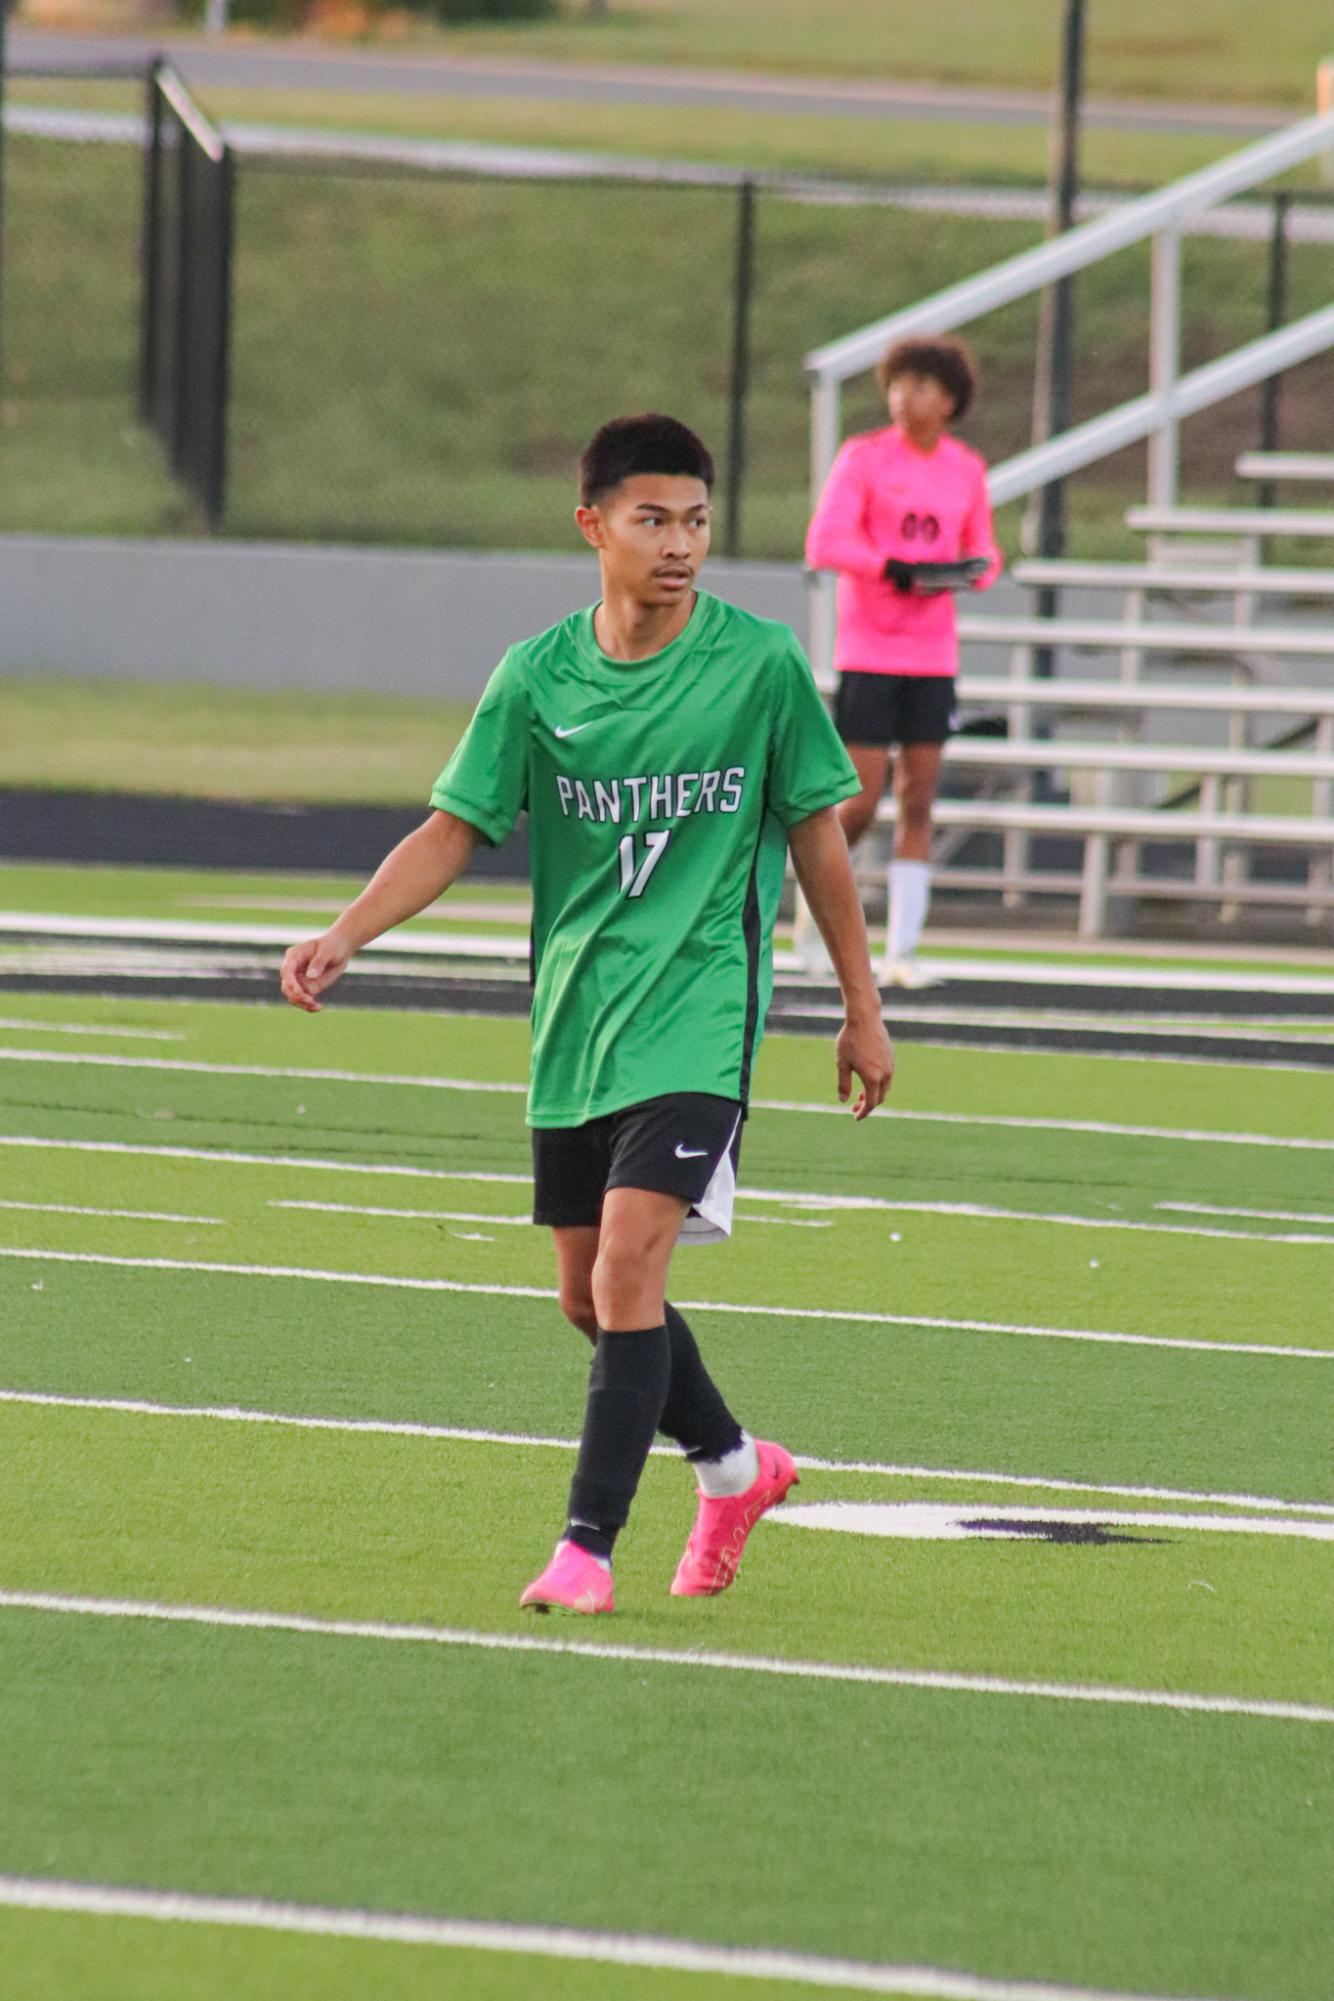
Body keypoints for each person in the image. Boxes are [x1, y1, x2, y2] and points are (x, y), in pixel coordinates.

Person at [280, 412, 894, 1617]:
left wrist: (858, 1010)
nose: (678, 544)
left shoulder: (757, 664)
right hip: (574, 1023)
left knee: (625, 1266)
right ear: (592, 527)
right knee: (588, 1296)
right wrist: (344, 933)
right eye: (651, 519)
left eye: (697, 520)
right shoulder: (535, 677)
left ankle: (585, 1549)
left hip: (702, 1017)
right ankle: (733, 1468)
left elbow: (816, 836)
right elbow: (454, 827)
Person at [803, 335, 1001, 987]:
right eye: (896, 383)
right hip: (870, 650)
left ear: (948, 401)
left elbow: (984, 552)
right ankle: (814, 910)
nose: (902, 396)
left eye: (919, 385)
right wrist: (892, 567)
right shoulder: (863, 458)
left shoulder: (964, 468)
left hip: (931, 654)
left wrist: (965, 573)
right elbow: (827, 540)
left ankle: (903, 951)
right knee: (858, 801)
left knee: (920, 797)